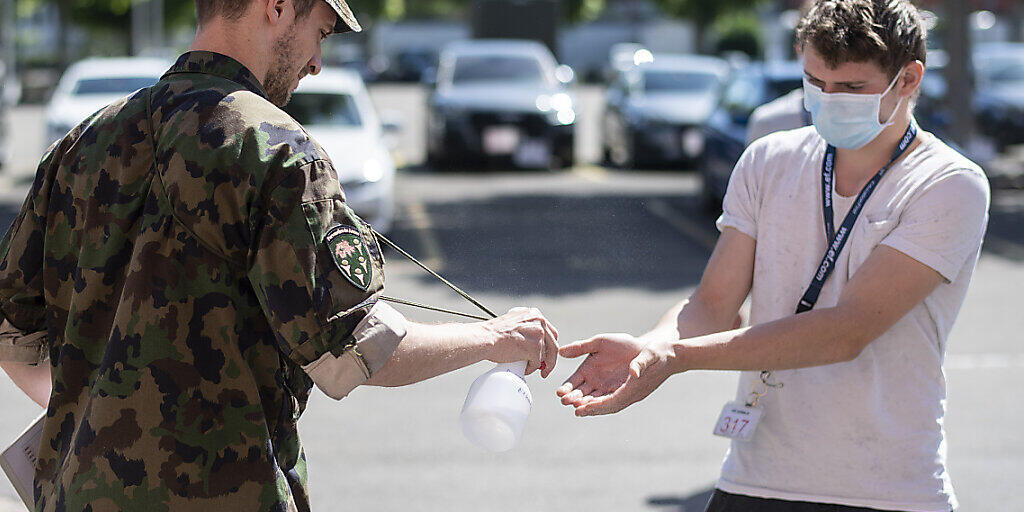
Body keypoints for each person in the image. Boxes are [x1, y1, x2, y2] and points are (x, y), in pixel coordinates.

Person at [0, 0, 559, 510]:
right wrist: (496, 338)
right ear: (279, 7)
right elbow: (358, 350)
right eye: (319, 31)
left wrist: (103, 421)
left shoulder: (81, 145)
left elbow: (12, 339)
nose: (316, 62)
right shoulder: (280, 153)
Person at [557, 1, 988, 511]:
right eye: (815, 82)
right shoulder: (769, 159)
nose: (829, 100)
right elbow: (713, 305)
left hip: (889, 489)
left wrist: (677, 358)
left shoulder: (949, 184)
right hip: (755, 480)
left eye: (851, 88)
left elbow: (846, 331)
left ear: (909, 79)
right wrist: (649, 347)